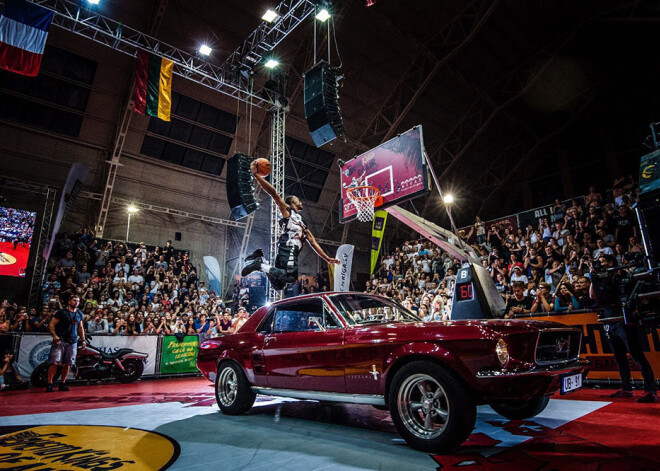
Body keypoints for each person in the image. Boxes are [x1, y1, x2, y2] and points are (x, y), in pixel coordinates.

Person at [241, 160, 340, 290]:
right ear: (292, 202)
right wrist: (257, 176)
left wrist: (327, 258)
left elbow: (313, 242)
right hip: (289, 248)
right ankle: (259, 265)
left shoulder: (303, 222)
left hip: (287, 250)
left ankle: (261, 261)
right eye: (297, 199)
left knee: (278, 285)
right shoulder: (287, 211)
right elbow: (273, 193)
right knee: (291, 277)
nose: (300, 201)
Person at [590, 254, 657, 403]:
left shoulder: (621, 278)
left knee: (636, 354)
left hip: (623, 316)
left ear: (611, 263)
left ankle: (650, 389)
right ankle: (627, 388)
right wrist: (594, 277)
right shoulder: (600, 279)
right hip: (609, 317)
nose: (601, 265)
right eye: (599, 263)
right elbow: (593, 295)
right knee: (619, 356)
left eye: (603, 262)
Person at [46, 294, 86, 392]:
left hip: (72, 341)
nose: (76, 302)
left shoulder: (79, 313)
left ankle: (63, 383)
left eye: (77, 301)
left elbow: (80, 327)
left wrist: (83, 340)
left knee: (67, 363)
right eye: (74, 300)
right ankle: (50, 383)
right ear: (69, 301)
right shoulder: (62, 312)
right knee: (54, 362)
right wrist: (55, 336)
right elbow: (51, 324)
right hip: (61, 340)